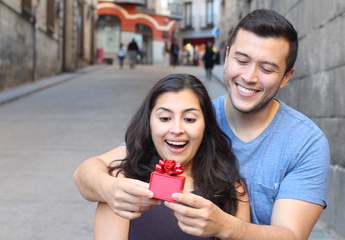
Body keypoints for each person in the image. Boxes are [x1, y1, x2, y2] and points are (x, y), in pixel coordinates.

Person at [73, 9, 330, 240]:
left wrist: (225, 227)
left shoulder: (305, 143)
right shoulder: (195, 114)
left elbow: (292, 236)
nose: (249, 77)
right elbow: (90, 171)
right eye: (242, 60)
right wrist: (110, 189)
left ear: (287, 77)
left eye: (267, 68)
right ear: (226, 55)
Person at [93, 74, 250, 239]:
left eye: (189, 119)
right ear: (149, 123)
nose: (177, 129)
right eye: (165, 118)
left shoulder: (231, 190)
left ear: (205, 126)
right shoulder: (120, 188)